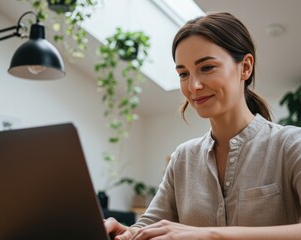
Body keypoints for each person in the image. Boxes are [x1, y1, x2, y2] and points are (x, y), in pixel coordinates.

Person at [104, 12, 301, 240]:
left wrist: (209, 235)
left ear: (245, 67)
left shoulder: (290, 145)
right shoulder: (183, 158)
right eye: (183, 73)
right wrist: (124, 231)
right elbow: (148, 227)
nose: (193, 85)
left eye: (206, 68)